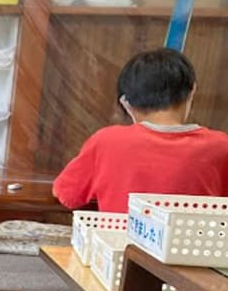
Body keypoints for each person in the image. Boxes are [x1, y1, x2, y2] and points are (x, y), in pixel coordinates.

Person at [53, 47, 228, 213]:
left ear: (126, 102)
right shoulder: (221, 146)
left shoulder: (106, 141)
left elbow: (66, 194)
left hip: (121, 236)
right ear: (192, 90)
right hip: (197, 236)